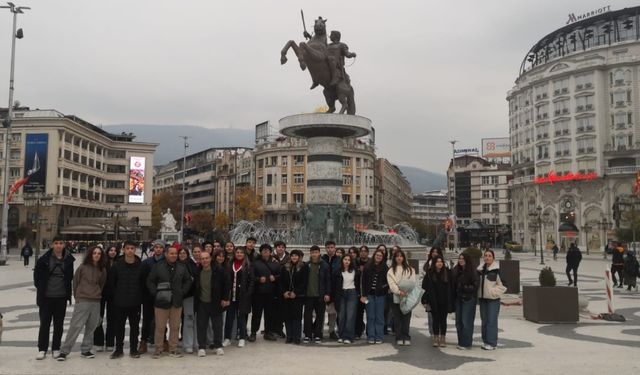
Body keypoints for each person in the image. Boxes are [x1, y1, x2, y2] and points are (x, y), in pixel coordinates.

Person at [57, 246, 107, 361]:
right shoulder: (82, 268)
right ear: (90, 254)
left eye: (99, 253)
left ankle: (86, 349)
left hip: (95, 301)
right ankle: (64, 351)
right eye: (94, 253)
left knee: (91, 327)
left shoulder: (102, 270)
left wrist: (96, 294)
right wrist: (78, 297)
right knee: (76, 326)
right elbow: (75, 282)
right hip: (83, 300)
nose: (96, 255)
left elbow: (101, 284)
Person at [146, 245, 192, 358]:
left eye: (175, 254)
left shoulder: (182, 267)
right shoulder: (158, 266)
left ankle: (173, 348)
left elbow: (188, 281)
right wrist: (155, 293)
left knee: (175, 326)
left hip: (176, 301)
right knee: (160, 327)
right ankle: (158, 349)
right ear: (166, 254)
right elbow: (150, 281)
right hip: (161, 301)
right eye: (171, 253)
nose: (174, 255)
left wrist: (182, 292)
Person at [34, 237, 76, 360]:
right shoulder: (44, 260)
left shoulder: (68, 260)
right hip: (46, 297)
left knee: (59, 324)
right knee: (44, 324)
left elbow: (69, 277)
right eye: (56, 243)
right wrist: (42, 288)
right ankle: (42, 349)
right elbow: (36, 277)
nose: (58, 245)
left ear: (64, 245)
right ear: (52, 245)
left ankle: (56, 348)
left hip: (61, 297)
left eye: (61, 243)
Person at [109, 240, 144, 359]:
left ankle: (133, 349)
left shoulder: (140, 265)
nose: (130, 250)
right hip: (120, 302)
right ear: (124, 250)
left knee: (135, 328)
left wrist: (140, 297)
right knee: (119, 327)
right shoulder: (117, 265)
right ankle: (118, 349)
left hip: (135, 302)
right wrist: (116, 296)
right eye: (128, 248)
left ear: (135, 250)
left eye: (132, 248)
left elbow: (143, 283)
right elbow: (112, 283)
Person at [194, 251, 230, 357]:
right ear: (200, 260)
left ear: (210, 259)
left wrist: (225, 298)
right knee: (201, 326)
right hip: (202, 303)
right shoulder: (197, 271)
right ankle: (201, 347)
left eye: (206, 258)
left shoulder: (218, 270)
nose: (204, 260)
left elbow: (227, 284)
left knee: (217, 326)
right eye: (202, 259)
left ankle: (218, 346)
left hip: (215, 302)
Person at [250, 244, 281, 342]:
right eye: (263, 250)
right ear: (260, 252)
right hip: (258, 293)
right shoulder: (255, 263)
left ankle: (268, 332)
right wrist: (258, 279)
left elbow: (281, 276)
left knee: (269, 314)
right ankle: (253, 332)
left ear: (270, 252)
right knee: (256, 314)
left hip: (270, 293)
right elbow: (251, 277)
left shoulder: (275, 263)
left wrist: (275, 278)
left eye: (268, 250)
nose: (266, 252)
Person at [223, 247, 254, 348]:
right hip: (231, 296)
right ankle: (227, 338)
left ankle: (242, 338)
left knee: (241, 319)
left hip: (243, 297)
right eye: (237, 252)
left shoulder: (248, 266)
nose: (239, 254)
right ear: (234, 253)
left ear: (244, 254)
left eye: (241, 252)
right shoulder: (229, 265)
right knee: (229, 318)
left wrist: (248, 293)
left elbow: (252, 281)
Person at [139, 239, 165, 354]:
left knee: (162, 320)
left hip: (163, 296)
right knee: (147, 320)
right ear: (153, 249)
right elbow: (143, 279)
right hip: (149, 296)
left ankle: (163, 341)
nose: (158, 249)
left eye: (160, 247)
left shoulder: (167, 261)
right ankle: (143, 341)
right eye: (156, 247)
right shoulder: (146, 263)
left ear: (163, 249)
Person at [478, 250, 506, 350]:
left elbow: (503, 285)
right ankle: (485, 341)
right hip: (482, 299)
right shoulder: (480, 270)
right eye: (485, 256)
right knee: (484, 321)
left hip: (493, 300)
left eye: (489, 256)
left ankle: (492, 343)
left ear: (493, 258)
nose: (487, 258)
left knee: (491, 321)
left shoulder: (497, 270)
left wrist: (493, 292)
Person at [387, 248, 416, 346]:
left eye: (401, 256)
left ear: (403, 258)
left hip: (407, 296)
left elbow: (413, 282)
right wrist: (399, 291)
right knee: (397, 318)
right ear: (394, 258)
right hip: (396, 296)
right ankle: (399, 336)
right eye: (397, 256)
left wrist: (406, 291)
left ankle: (406, 336)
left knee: (406, 318)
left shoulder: (410, 269)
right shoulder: (391, 270)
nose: (399, 258)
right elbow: (391, 284)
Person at [422, 255, 452, 347]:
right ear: (434, 263)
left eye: (441, 261)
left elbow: (450, 287)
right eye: (437, 262)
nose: (440, 263)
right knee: (435, 319)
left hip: (444, 301)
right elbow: (425, 287)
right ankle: (435, 337)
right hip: (433, 300)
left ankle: (442, 337)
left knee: (443, 320)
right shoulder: (430, 274)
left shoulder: (447, 273)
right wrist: (425, 300)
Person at [304, 245, 331, 343]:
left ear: (319, 253)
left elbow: (328, 280)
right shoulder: (307, 265)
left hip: (320, 295)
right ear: (310, 253)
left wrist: (327, 293)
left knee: (320, 316)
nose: (314, 254)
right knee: (307, 316)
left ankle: (317, 334)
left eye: (316, 252)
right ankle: (307, 334)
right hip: (308, 295)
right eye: (312, 252)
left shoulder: (324, 265)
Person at [94, 245, 119, 352]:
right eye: (111, 250)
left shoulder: (119, 263)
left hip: (114, 294)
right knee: (98, 318)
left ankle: (110, 342)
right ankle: (98, 342)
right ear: (107, 251)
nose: (113, 252)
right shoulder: (102, 262)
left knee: (112, 319)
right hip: (101, 293)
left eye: (115, 251)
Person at [361, 249, 389, 344]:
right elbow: (363, 282)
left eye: (380, 256)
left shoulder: (385, 268)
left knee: (379, 316)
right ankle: (371, 336)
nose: (378, 257)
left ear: (382, 257)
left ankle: (379, 336)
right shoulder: (368, 266)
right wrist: (363, 295)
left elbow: (388, 282)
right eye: (377, 255)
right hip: (369, 295)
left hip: (380, 295)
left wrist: (382, 288)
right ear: (374, 256)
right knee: (371, 316)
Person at [280, 249, 308, 344]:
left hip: (298, 296)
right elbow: (281, 281)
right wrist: (284, 292)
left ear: (299, 257)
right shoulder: (285, 267)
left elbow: (304, 283)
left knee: (297, 317)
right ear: (290, 257)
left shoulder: (303, 267)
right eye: (292, 256)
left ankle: (297, 337)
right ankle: (289, 336)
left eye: (296, 256)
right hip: (287, 296)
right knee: (287, 316)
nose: (294, 257)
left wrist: (295, 292)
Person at [452, 253, 478, 350]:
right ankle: (461, 342)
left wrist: (463, 287)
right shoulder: (456, 270)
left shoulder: (472, 271)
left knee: (466, 321)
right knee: (458, 321)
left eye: (463, 259)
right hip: (458, 299)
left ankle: (466, 343)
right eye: (459, 258)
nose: (461, 260)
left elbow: (475, 286)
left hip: (468, 299)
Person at [333, 253, 360, 344]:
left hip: (352, 293)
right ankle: (341, 335)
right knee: (341, 316)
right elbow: (334, 285)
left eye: (349, 260)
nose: (347, 261)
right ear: (342, 261)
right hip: (341, 294)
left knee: (350, 316)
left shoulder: (355, 271)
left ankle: (348, 336)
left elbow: (359, 283)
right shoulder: (337, 271)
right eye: (345, 259)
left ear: (351, 261)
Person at [178, 247, 198, 354]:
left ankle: (192, 343)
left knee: (190, 320)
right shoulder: (175, 264)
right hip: (178, 296)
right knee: (180, 321)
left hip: (190, 296)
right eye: (180, 253)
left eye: (184, 253)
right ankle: (185, 343)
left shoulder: (192, 264)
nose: (182, 255)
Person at [322, 241, 341, 339]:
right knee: (320, 311)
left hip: (334, 289)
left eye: (332, 247)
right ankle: (319, 330)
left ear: (335, 248)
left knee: (332, 312)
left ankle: (332, 331)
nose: (330, 249)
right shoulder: (322, 259)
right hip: (322, 288)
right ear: (325, 248)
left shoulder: (339, 260)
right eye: (328, 247)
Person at [272, 240, 289, 338]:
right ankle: (270, 328)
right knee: (272, 309)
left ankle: (279, 328)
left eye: (282, 247)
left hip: (283, 287)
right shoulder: (270, 258)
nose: (280, 249)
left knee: (282, 310)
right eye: (278, 247)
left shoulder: (288, 259)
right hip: (272, 287)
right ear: (275, 248)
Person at [355, 245, 369, 339]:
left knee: (370, 314)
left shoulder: (371, 262)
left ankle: (369, 332)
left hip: (368, 294)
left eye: (365, 251)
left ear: (367, 252)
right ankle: (358, 332)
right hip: (358, 293)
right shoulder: (355, 262)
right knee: (358, 314)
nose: (363, 252)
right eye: (361, 251)